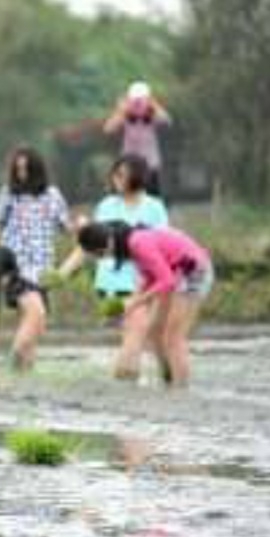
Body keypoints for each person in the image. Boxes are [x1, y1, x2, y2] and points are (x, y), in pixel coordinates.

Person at [59, 154, 169, 379]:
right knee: (133, 336)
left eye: (121, 175)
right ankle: (135, 385)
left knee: (134, 337)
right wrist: (62, 273)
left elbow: (164, 247)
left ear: (137, 177)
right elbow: (88, 246)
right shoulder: (107, 206)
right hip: (109, 285)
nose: (115, 179)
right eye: (115, 175)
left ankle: (132, 384)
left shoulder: (154, 208)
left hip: (140, 285)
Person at [76, 222, 213, 387]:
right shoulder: (131, 246)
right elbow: (150, 279)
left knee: (173, 337)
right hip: (178, 272)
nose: (103, 259)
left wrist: (133, 304)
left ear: (103, 248)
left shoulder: (137, 243)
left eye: (99, 256)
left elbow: (166, 281)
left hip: (193, 270)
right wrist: (123, 308)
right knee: (154, 331)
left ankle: (180, 388)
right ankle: (168, 378)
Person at [0, 146, 70, 371]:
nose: (22, 175)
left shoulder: (53, 195)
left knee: (34, 325)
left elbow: (66, 227)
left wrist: (84, 228)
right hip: (15, 266)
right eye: (18, 170)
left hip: (43, 270)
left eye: (26, 170)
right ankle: (10, 367)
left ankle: (23, 379)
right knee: (36, 314)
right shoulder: (9, 193)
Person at [104, 81, 172, 196]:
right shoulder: (124, 115)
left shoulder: (153, 115)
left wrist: (153, 105)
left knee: (153, 198)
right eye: (135, 100)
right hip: (129, 166)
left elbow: (167, 121)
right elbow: (108, 129)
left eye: (141, 100)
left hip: (150, 165)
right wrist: (121, 110)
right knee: (129, 198)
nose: (138, 104)